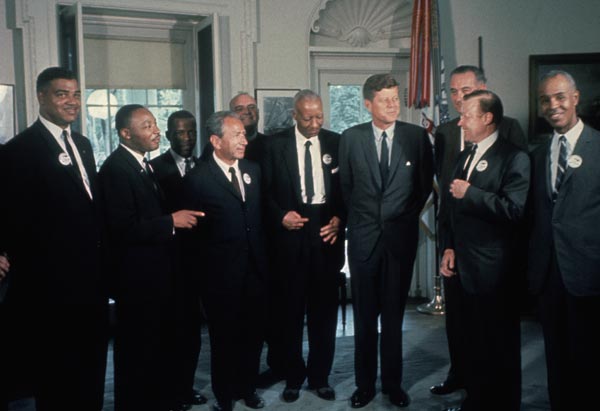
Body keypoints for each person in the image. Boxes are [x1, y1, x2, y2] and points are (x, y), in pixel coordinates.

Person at [0, 66, 108, 411]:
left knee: (92, 366)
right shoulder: (19, 151)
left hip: (91, 282)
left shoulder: (84, 144)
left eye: (76, 94)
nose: (72, 102)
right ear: (41, 96)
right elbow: (11, 218)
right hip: (50, 289)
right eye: (62, 94)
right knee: (57, 375)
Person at [98, 104, 204, 411]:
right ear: (125, 133)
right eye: (147, 126)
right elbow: (122, 229)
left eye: (154, 124)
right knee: (136, 354)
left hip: (154, 278)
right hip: (136, 281)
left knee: (152, 350)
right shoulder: (117, 169)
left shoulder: (141, 165)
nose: (155, 131)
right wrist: (171, 221)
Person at [431, 65, 528, 396]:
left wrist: (471, 194)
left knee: (497, 343)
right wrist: (448, 247)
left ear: (487, 117)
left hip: (493, 268)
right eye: (455, 94)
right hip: (461, 261)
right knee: (468, 337)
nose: (460, 113)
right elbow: (449, 204)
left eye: (468, 109)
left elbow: (515, 208)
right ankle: (471, 391)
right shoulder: (460, 151)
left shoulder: (512, 149)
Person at [339, 73, 433, 408]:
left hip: (399, 240)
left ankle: (393, 384)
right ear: (368, 104)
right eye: (385, 99)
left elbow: (423, 187)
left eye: (395, 98)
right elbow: (346, 188)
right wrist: (365, 221)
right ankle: (364, 386)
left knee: (394, 318)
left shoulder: (416, 137)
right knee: (364, 319)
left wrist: (402, 218)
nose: (393, 105)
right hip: (363, 241)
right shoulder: (350, 138)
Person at [262, 90, 345, 402]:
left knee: (324, 315)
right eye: (308, 117)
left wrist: (340, 219)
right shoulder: (274, 146)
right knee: (290, 315)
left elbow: (349, 190)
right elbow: (264, 194)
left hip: (326, 235)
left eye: (319, 116)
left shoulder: (337, 143)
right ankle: (293, 377)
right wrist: (280, 216)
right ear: (294, 116)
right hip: (290, 238)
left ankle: (320, 377)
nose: (314, 123)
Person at [183, 111, 268, 411]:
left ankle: (248, 388)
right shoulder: (197, 178)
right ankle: (224, 395)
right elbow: (191, 237)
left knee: (253, 336)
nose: (244, 140)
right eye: (236, 135)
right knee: (224, 340)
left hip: (255, 273)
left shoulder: (253, 171)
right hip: (220, 278)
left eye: (244, 134)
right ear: (216, 141)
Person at [528, 70, 600, 411]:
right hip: (548, 274)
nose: (552, 105)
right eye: (545, 99)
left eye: (559, 97)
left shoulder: (598, 147)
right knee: (555, 357)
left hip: (589, 273)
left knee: (588, 359)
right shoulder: (537, 153)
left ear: (575, 99)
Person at [150, 110, 208, 410]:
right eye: (180, 132)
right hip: (169, 264)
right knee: (171, 332)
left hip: (202, 264)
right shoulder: (153, 168)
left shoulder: (206, 166)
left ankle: (185, 388)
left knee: (193, 333)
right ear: (169, 134)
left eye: (191, 132)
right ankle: (170, 391)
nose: (186, 138)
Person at [201, 92, 267, 163]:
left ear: (258, 112)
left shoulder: (270, 145)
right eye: (240, 109)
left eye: (251, 107)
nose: (247, 112)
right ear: (231, 114)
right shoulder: (217, 146)